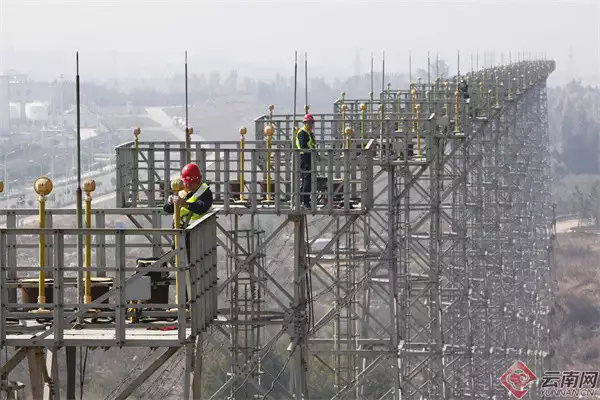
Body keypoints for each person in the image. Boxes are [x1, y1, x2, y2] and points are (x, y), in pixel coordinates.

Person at [163, 163, 213, 228]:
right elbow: (167, 209)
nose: (188, 186)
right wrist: (169, 203)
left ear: (198, 181)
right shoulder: (182, 192)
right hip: (180, 231)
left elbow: (202, 208)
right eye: (186, 183)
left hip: (198, 232)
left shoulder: (205, 192)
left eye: (191, 183)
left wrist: (185, 204)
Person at [295, 113, 317, 208]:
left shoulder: (309, 132)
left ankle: (305, 200)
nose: (311, 124)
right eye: (309, 122)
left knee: (307, 179)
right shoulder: (302, 132)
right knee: (306, 179)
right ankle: (305, 201)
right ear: (305, 123)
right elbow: (303, 146)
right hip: (305, 157)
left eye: (312, 122)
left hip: (309, 156)